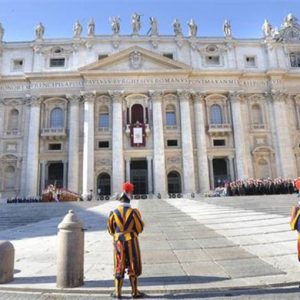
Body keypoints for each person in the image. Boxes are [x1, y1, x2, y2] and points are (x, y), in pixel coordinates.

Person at [107, 182, 144, 299]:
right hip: (131, 241)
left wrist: (118, 235)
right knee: (133, 265)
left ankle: (118, 293)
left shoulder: (113, 213)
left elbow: (110, 229)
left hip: (118, 241)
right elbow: (140, 228)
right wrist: (132, 233)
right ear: (129, 201)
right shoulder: (134, 212)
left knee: (119, 264)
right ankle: (135, 292)